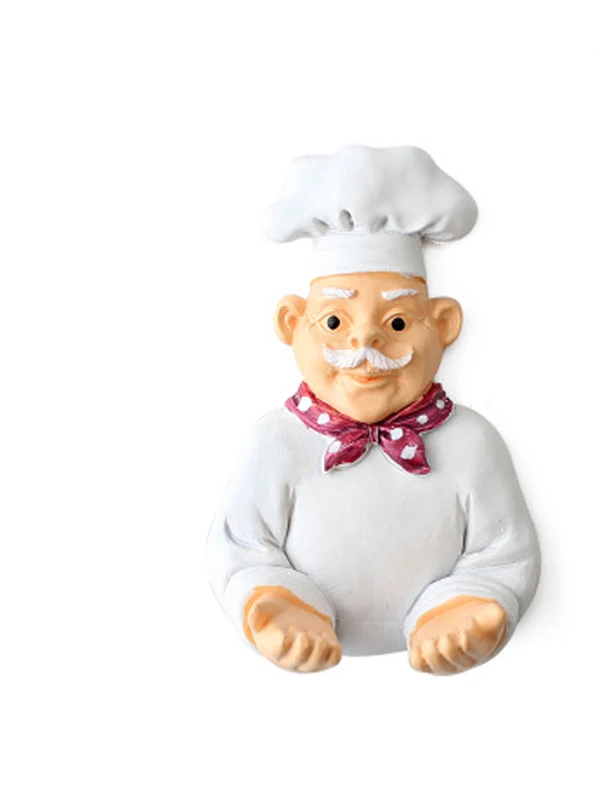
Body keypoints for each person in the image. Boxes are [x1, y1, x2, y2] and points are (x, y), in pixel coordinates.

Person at [207, 145, 540, 675]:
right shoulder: (275, 440)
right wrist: (269, 595)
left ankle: (448, 612)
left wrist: (475, 599)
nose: (366, 342)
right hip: (297, 614)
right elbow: (241, 544)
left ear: (444, 325)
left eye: (399, 323)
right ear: (292, 322)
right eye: (334, 323)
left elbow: (504, 549)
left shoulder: (471, 441)